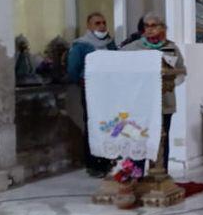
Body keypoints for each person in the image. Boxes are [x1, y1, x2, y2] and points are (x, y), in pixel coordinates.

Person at [121, 12, 186, 172]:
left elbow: (181, 71)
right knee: (138, 138)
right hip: (141, 103)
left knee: (161, 139)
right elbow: (121, 69)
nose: (149, 29)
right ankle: (136, 174)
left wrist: (169, 82)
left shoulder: (171, 48)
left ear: (162, 28)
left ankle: (160, 174)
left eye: (154, 25)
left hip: (165, 102)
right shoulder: (132, 48)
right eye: (146, 26)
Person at [66, 12, 117, 177]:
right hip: (91, 90)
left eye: (103, 23)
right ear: (89, 26)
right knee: (94, 125)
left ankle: (109, 161)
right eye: (97, 23)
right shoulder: (81, 45)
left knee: (110, 125)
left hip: (109, 90)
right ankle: (93, 164)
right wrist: (83, 81)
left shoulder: (110, 43)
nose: (101, 26)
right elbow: (73, 69)